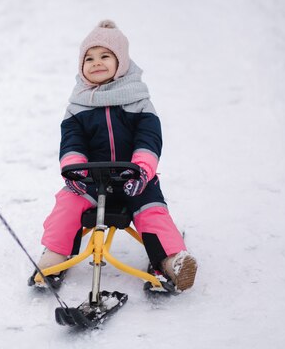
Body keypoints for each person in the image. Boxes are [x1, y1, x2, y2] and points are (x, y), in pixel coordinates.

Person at [30, 20, 197, 292]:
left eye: (105, 56)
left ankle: (171, 261)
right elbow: (72, 142)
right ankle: (54, 256)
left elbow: (149, 139)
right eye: (89, 58)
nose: (96, 63)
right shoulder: (77, 106)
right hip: (91, 181)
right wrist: (74, 171)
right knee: (66, 205)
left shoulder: (139, 102)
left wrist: (142, 171)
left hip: (136, 181)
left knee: (152, 213)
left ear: (121, 62)